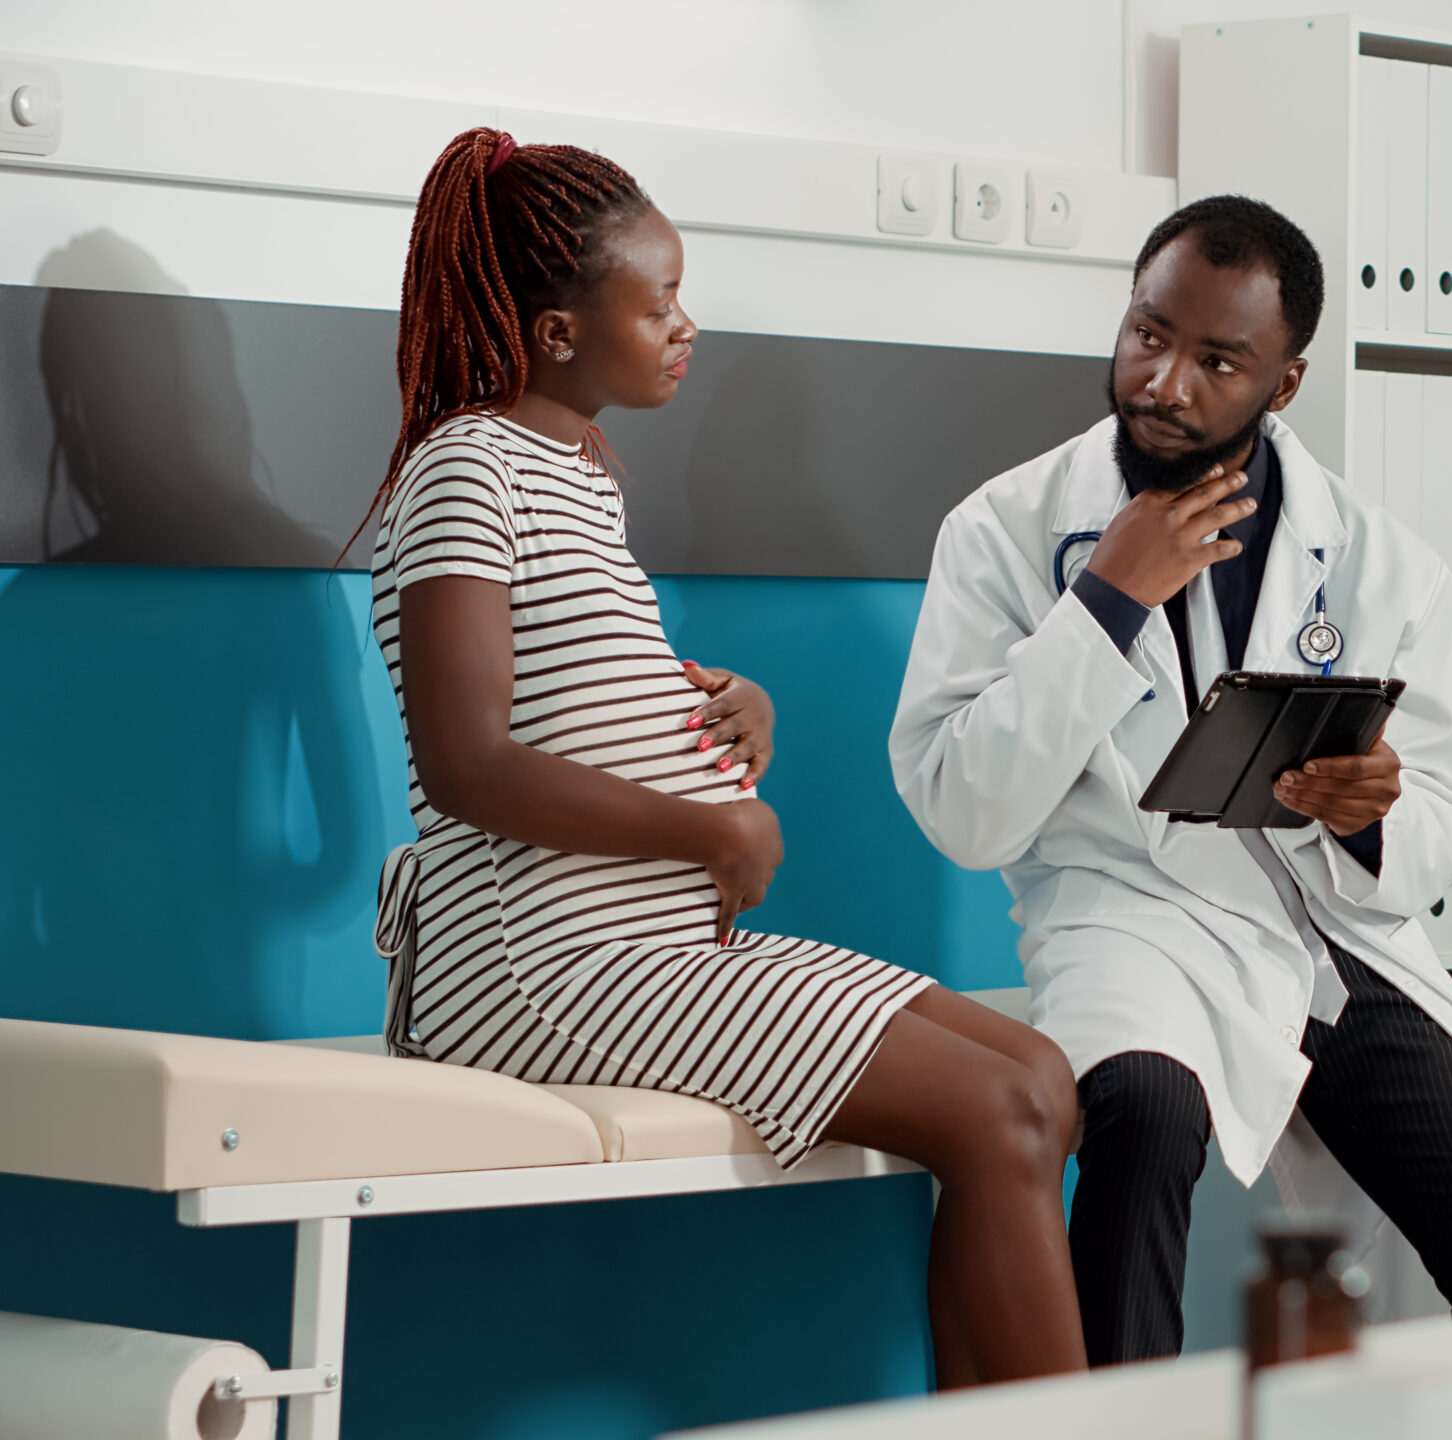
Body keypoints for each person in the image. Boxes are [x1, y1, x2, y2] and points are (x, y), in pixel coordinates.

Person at [359, 128, 1083, 1388]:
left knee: (1037, 1075)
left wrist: (716, 708)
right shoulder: (466, 470)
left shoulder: (580, 472)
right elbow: (466, 761)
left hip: (654, 948)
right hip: (541, 970)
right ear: (555, 334)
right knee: (1002, 1106)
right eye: (659, 303)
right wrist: (712, 829)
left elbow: (560, 693)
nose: (686, 326)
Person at [890, 195, 1452, 1364]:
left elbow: (1434, 827)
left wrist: (1370, 813)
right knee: (1142, 1121)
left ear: (1285, 381)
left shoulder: (1380, 561)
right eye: (1149, 334)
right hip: (1130, 921)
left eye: (1218, 361)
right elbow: (959, 806)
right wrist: (1105, 603)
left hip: (1327, 934)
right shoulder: (1004, 532)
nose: (1165, 382)